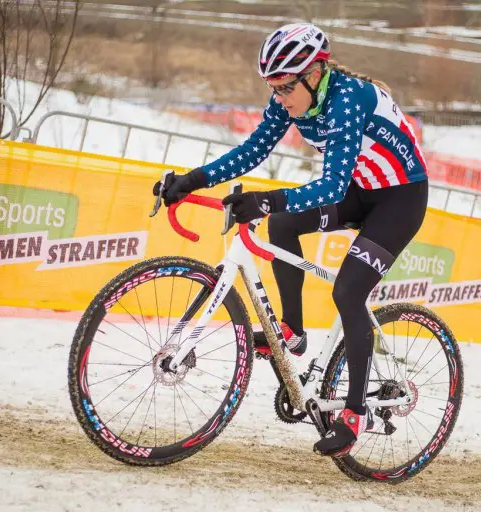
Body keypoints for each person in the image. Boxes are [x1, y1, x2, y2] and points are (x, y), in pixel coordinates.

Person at [153, 22, 429, 457]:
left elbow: (333, 186)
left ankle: (355, 414)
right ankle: (293, 332)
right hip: (361, 188)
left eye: (284, 88)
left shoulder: (346, 101)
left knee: (349, 290)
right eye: (273, 88)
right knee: (283, 225)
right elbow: (254, 149)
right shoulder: (294, 95)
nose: (279, 98)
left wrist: (269, 199)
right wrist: (194, 179)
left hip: (399, 198)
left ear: (314, 73)